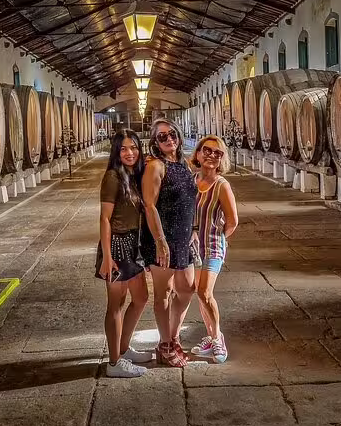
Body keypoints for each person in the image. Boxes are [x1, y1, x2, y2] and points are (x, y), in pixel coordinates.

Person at [141, 118, 197, 367]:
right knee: (163, 292)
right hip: (163, 236)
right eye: (161, 136)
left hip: (183, 236)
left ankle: (173, 337)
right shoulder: (156, 166)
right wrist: (160, 241)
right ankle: (165, 345)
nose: (168, 139)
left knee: (187, 288)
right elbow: (149, 205)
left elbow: (189, 200)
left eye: (171, 134)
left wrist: (193, 229)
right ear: (155, 142)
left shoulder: (183, 163)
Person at [96, 129, 152, 378]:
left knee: (140, 298)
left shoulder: (134, 175)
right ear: (116, 152)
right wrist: (107, 257)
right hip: (117, 246)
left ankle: (124, 347)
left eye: (134, 147)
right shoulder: (112, 177)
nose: (130, 153)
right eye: (124, 149)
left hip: (133, 245)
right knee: (116, 305)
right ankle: (114, 362)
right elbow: (105, 219)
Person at [189, 136, 238, 363]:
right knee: (199, 294)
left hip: (213, 247)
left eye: (217, 153)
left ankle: (218, 338)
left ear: (221, 159)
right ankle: (210, 337)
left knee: (205, 293)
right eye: (207, 151)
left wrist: (218, 239)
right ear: (198, 154)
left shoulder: (222, 186)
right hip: (193, 249)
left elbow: (233, 221)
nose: (211, 155)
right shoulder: (191, 181)